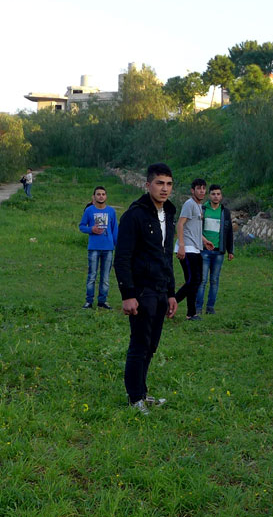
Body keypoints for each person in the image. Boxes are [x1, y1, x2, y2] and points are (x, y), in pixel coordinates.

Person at [114, 164, 178, 414]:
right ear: (148, 185)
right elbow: (122, 258)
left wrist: (171, 293)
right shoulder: (135, 215)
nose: (164, 188)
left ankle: (142, 393)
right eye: (160, 183)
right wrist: (128, 295)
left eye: (169, 184)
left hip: (161, 290)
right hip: (141, 290)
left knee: (151, 345)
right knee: (139, 344)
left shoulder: (169, 214)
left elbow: (166, 257)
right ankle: (134, 399)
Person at [79, 185, 118, 309]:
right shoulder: (89, 210)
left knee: (105, 276)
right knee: (92, 275)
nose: (101, 196)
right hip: (94, 248)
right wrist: (91, 229)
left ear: (106, 196)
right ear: (93, 196)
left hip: (108, 248)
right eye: (98, 194)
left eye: (103, 194)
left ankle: (102, 301)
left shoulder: (111, 211)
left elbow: (115, 229)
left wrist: (117, 245)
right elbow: (81, 226)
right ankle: (89, 301)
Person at [199, 183, 234, 314]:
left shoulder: (225, 212)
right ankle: (198, 307)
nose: (216, 196)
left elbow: (229, 231)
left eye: (218, 194)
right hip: (204, 251)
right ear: (209, 195)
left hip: (219, 251)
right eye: (213, 194)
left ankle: (210, 307)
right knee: (202, 280)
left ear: (221, 196)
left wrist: (230, 250)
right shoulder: (202, 209)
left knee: (214, 280)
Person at [176, 178, 207, 320]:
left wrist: (205, 241)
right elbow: (180, 224)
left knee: (196, 280)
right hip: (187, 248)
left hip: (196, 247)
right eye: (198, 188)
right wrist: (181, 245)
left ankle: (191, 313)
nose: (201, 191)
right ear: (192, 190)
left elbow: (194, 228)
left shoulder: (199, 206)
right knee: (193, 280)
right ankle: (171, 303)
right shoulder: (189, 204)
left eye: (203, 188)